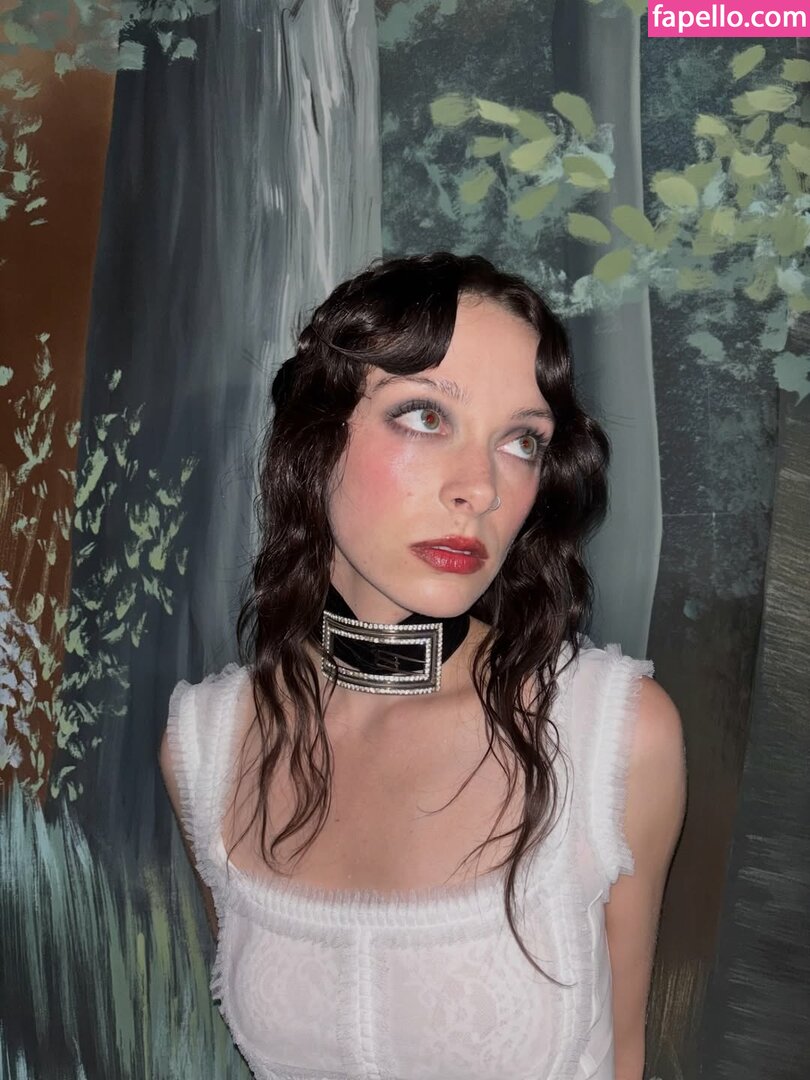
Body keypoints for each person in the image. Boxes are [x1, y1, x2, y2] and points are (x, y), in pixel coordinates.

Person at [159, 252, 686, 1080]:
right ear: (316, 439)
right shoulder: (207, 744)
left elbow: (626, 1056)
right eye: (425, 416)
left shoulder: (612, 735)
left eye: (522, 441)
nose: (480, 487)